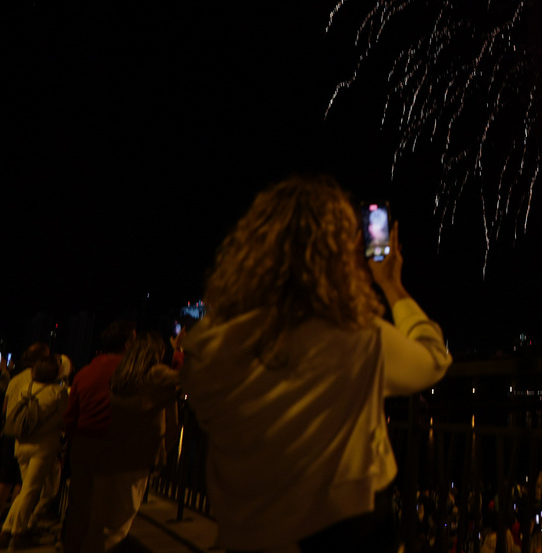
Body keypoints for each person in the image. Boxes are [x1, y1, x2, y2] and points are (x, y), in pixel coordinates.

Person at [181, 175, 452, 553]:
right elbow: (433, 360)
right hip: (345, 531)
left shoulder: (208, 345)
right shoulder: (356, 337)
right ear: (338, 252)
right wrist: (390, 284)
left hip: (247, 536)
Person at [89, 335, 179, 551]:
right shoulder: (156, 378)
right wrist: (179, 352)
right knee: (118, 527)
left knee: (98, 523)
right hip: (135, 460)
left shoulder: (119, 378)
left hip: (106, 455)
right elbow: (174, 422)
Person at [61, 320, 136, 553]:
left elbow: (70, 417)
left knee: (79, 507)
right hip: (112, 449)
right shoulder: (130, 372)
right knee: (110, 514)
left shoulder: (85, 372)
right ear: (127, 344)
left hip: (82, 445)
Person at [0, 355, 68, 549]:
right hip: (42, 448)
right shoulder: (58, 392)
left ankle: (6, 531)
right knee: (31, 489)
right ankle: (17, 532)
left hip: (20, 445)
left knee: (25, 489)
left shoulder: (26, 389)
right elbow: (65, 419)